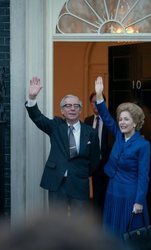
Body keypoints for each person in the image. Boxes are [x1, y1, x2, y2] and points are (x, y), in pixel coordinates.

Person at [25, 76, 101, 215]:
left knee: (79, 224)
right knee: (56, 221)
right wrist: (32, 97)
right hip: (57, 181)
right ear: (62, 111)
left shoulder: (90, 132)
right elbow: (37, 117)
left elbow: (95, 160)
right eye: (68, 106)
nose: (72, 108)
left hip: (79, 182)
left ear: (80, 110)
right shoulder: (56, 126)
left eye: (76, 106)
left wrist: (81, 171)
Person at [94, 76, 151, 237]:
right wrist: (99, 95)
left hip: (130, 195)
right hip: (113, 190)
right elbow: (105, 116)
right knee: (111, 232)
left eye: (126, 119)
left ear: (135, 123)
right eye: (120, 119)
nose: (122, 122)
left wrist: (139, 201)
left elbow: (143, 176)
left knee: (127, 234)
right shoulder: (119, 135)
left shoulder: (143, 145)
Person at [84, 92, 111, 217]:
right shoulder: (87, 121)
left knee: (106, 196)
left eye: (98, 101)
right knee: (94, 196)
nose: (95, 104)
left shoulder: (110, 121)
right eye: (93, 102)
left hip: (107, 164)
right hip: (93, 164)